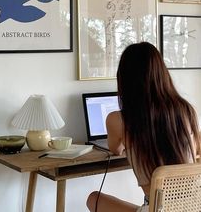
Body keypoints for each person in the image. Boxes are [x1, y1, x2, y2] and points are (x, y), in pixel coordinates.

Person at [86, 42, 200, 212]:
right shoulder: (185, 109)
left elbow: (116, 149)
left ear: (124, 79)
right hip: (194, 206)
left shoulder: (118, 119)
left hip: (156, 209)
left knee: (93, 199)